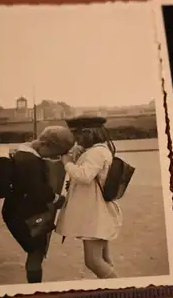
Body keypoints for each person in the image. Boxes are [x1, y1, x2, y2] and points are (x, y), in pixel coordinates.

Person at [0, 126, 74, 283]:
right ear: (44, 144)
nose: (56, 158)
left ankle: (34, 286)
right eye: (55, 154)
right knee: (36, 252)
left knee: (35, 252)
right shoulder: (30, 161)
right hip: (25, 215)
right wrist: (57, 199)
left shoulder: (24, 153)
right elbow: (37, 189)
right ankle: (34, 288)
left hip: (18, 211)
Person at [55, 115, 122, 279]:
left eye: (77, 135)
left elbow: (84, 176)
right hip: (97, 211)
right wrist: (78, 157)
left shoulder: (96, 152)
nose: (75, 140)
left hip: (95, 213)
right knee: (103, 259)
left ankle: (122, 289)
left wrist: (67, 162)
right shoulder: (98, 150)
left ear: (88, 133)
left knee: (93, 261)